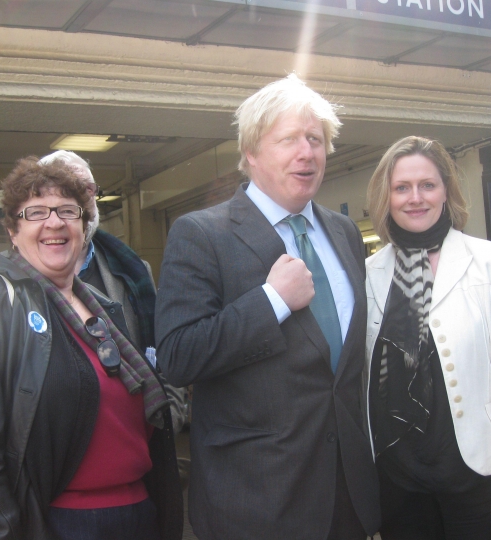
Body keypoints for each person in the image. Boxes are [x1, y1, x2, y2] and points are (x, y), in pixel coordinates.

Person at [155, 74, 381, 540]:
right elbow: (178, 356)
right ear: (251, 153)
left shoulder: (345, 233)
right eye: (289, 140)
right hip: (256, 502)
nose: (307, 152)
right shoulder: (201, 234)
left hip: (347, 497)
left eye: (315, 140)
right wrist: (272, 300)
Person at [0, 157, 182, 540]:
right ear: (13, 231)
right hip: (58, 523)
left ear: (84, 226)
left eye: (68, 211)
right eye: (36, 212)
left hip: (137, 512)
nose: (54, 222)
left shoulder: (107, 308)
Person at [365, 136, 491, 540]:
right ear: (386, 197)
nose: (416, 198)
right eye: (402, 188)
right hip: (398, 482)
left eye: (427, 185)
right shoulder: (369, 273)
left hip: (476, 477)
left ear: (446, 190)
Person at [0, 150, 188, 433]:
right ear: (15, 228)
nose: (56, 221)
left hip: (134, 445)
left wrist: (168, 417)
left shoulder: (134, 271)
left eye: (83, 194)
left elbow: (165, 350)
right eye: (41, 209)